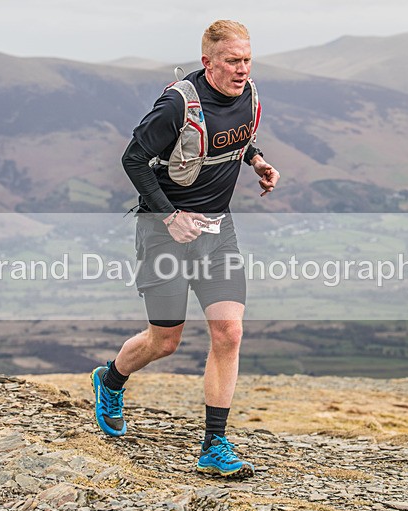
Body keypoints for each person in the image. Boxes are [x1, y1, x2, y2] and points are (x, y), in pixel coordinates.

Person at [91, 20, 280, 478]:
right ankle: (111, 380)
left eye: (247, 60)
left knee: (228, 333)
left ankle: (215, 443)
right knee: (165, 340)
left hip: (218, 232)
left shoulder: (249, 94)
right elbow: (132, 158)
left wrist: (256, 160)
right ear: (207, 62)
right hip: (164, 234)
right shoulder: (177, 104)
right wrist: (169, 217)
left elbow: (235, 136)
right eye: (232, 61)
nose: (242, 69)